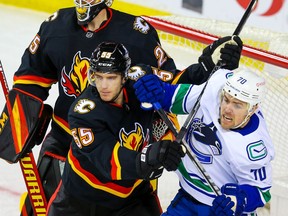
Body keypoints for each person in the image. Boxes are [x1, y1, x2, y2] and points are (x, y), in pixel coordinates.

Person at [0, 0, 242, 214]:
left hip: (130, 144)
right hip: (68, 138)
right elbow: (30, 79)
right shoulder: (55, 26)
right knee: (43, 204)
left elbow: (169, 83)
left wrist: (210, 65)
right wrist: (18, 122)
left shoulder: (136, 34)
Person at [46, 41, 186, 216]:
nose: (103, 85)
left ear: (124, 76)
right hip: (81, 203)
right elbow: (109, 161)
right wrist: (150, 156)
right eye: (99, 76)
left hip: (132, 199)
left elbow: (179, 83)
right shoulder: (82, 113)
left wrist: (208, 65)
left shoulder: (140, 79)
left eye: (111, 77)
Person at [133, 68, 274, 215]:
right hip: (187, 198)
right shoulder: (215, 89)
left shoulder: (253, 147)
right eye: (226, 100)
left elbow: (261, 192)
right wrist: (159, 91)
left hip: (220, 211)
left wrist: (236, 201)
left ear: (253, 108)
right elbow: (177, 98)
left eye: (237, 105)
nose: (227, 109)